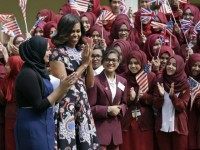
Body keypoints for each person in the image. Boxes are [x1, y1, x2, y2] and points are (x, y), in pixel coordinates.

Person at [14, 36, 77, 150]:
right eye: (47, 50)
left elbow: (51, 101)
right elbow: (39, 106)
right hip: (32, 127)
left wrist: (64, 89)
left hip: (45, 123)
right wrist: (60, 88)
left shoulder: (39, 72)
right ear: (38, 51)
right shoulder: (28, 74)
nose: (50, 52)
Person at [50, 14, 99, 149]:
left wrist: (88, 62)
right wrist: (83, 65)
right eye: (72, 31)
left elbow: (90, 84)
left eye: (78, 31)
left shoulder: (81, 50)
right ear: (64, 31)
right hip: (66, 106)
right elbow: (65, 84)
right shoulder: (57, 53)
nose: (76, 34)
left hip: (82, 104)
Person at [88, 49, 127, 150]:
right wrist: (108, 109)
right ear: (103, 62)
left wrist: (120, 108)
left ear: (118, 62)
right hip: (101, 133)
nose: (110, 63)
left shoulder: (123, 81)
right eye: (107, 60)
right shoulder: (95, 81)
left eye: (114, 60)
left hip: (116, 134)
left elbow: (125, 103)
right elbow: (89, 108)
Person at [120, 50, 156, 150]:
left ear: (142, 62)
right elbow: (118, 99)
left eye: (136, 63)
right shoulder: (122, 77)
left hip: (145, 121)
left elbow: (156, 99)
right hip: (127, 120)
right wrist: (130, 98)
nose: (133, 66)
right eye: (130, 63)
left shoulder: (150, 76)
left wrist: (143, 96)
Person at [153, 55, 190, 150]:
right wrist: (161, 96)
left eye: (174, 65)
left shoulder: (185, 84)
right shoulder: (160, 80)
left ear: (180, 67)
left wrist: (173, 96)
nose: (170, 67)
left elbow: (182, 107)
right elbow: (156, 105)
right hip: (162, 125)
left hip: (178, 127)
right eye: (169, 64)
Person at [1, 55, 23, 150]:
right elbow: (3, 100)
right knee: (10, 142)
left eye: (8, 65)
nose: (5, 67)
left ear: (16, 66)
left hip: (21, 115)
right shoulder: (6, 80)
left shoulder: (24, 80)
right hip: (9, 115)